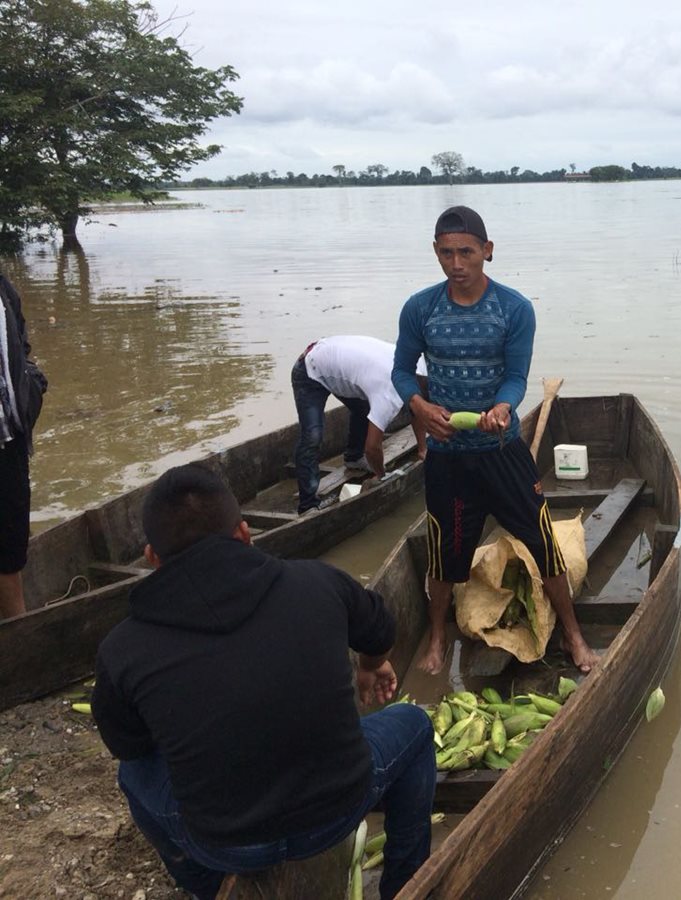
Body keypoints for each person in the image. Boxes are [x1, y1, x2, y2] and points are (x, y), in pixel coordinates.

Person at [91, 463, 435, 900]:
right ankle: (406, 884)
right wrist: (371, 665)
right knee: (416, 728)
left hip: (223, 843)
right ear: (244, 534)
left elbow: (131, 747)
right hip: (340, 810)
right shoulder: (318, 582)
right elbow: (381, 630)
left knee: (132, 775)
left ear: (152, 557)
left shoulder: (122, 648)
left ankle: (208, 887)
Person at [391, 205, 600, 675]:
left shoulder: (514, 308)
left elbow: (515, 376)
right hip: (448, 458)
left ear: (487, 251)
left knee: (543, 543)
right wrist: (420, 408)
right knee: (445, 553)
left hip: (502, 451)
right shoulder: (420, 308)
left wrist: (504, 408)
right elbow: (402, 371)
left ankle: (573, 633)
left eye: (466, 252)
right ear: (436, 253)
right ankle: (438, 638)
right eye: (446, 253)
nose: (457, 263)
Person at [292, 335, 426, 515]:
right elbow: (372, 448)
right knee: (312, 436)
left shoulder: (410, 362)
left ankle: (354, 458)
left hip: (334, 362)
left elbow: (416, 409)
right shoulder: (389, 391)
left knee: (363, 410)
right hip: (310, 369)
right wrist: (381, 476)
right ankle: (307, 504)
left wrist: (423, 449)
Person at [1, 272, 48, 620]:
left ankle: (19, 635)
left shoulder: (3, 288)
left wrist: (33, 382)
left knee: (10, 547)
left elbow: (21, 344)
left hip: (9, 441)